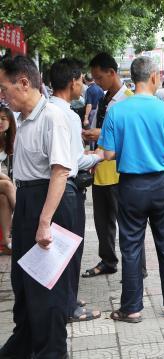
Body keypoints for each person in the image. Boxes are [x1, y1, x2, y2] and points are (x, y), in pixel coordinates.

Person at [98, 56, 164, 322]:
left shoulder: (117, 111)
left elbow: (108, 154)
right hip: (163, 184)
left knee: (131, 247)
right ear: (154, 77)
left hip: (130, 186)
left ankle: (132, 308)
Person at [0, 55, 77, 358]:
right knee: (24, 284)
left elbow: (60, 171)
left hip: (49, 204)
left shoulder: (51, 117)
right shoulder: (23, 120)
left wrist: (44, 222)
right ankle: (24, 347)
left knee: (48, 293)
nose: (3, 96)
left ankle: (51, 353)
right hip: (29, 202)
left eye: (4, 89)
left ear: (23, 82)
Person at [81, 52, 147, 278]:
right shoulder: (102, 98)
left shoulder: (130, 99)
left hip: (121, 173)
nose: (96, 83)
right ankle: (108, 261)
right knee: (103, 224)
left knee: (129, 226)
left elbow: (134, 137)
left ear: (112, 72)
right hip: (100, 170)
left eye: (99, 78)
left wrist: (100, 134)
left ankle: (138, 268)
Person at [49, 58, 104, 322]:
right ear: (72, 82)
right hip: (66, 190)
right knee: (70, 248)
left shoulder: (46, 109)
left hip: (46, 189)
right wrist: (99, 156)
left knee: (60, 247)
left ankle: (66, 296)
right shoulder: (68, 116)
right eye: (82, 80)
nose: (83, 85)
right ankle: (69, 306)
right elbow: (72, 162)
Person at [0, 106, 16, 256]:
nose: (0, 122)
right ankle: (21, 218)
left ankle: (6, 241)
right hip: (3, 182)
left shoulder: (10, 141)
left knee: (4, 198)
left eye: (4, 119)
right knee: (6, 184)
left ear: (10, 122)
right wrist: (5, 178)